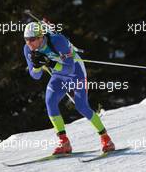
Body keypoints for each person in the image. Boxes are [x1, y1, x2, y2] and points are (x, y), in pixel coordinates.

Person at [23, 22, 115, 154]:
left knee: (81, 107)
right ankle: (64, 142)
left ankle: (106, 139)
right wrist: (37, 66)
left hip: (75, 72)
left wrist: (50, 63)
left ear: (40, 37)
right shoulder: (27, 49)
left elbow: (69, 68)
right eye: (26, 40)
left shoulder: (57, 41)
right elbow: (35, 76)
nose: (29, 43)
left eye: (32, 40)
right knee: (50, 101)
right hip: (59, 76)